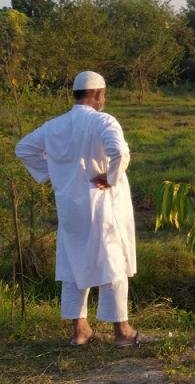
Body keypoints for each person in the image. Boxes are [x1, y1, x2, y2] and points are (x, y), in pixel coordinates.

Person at [15, 71, 140, 347]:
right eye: (103, 94)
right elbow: (119, 152)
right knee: (113, 261)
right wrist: (109, 178)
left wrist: (57, 172)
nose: (103, 99)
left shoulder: (54, 126)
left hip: (70, 208)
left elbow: (22, 148)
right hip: (102, 206)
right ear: (97, 94)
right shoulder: (103, 121)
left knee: (73, 263)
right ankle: (122, 331)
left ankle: (80, 330)